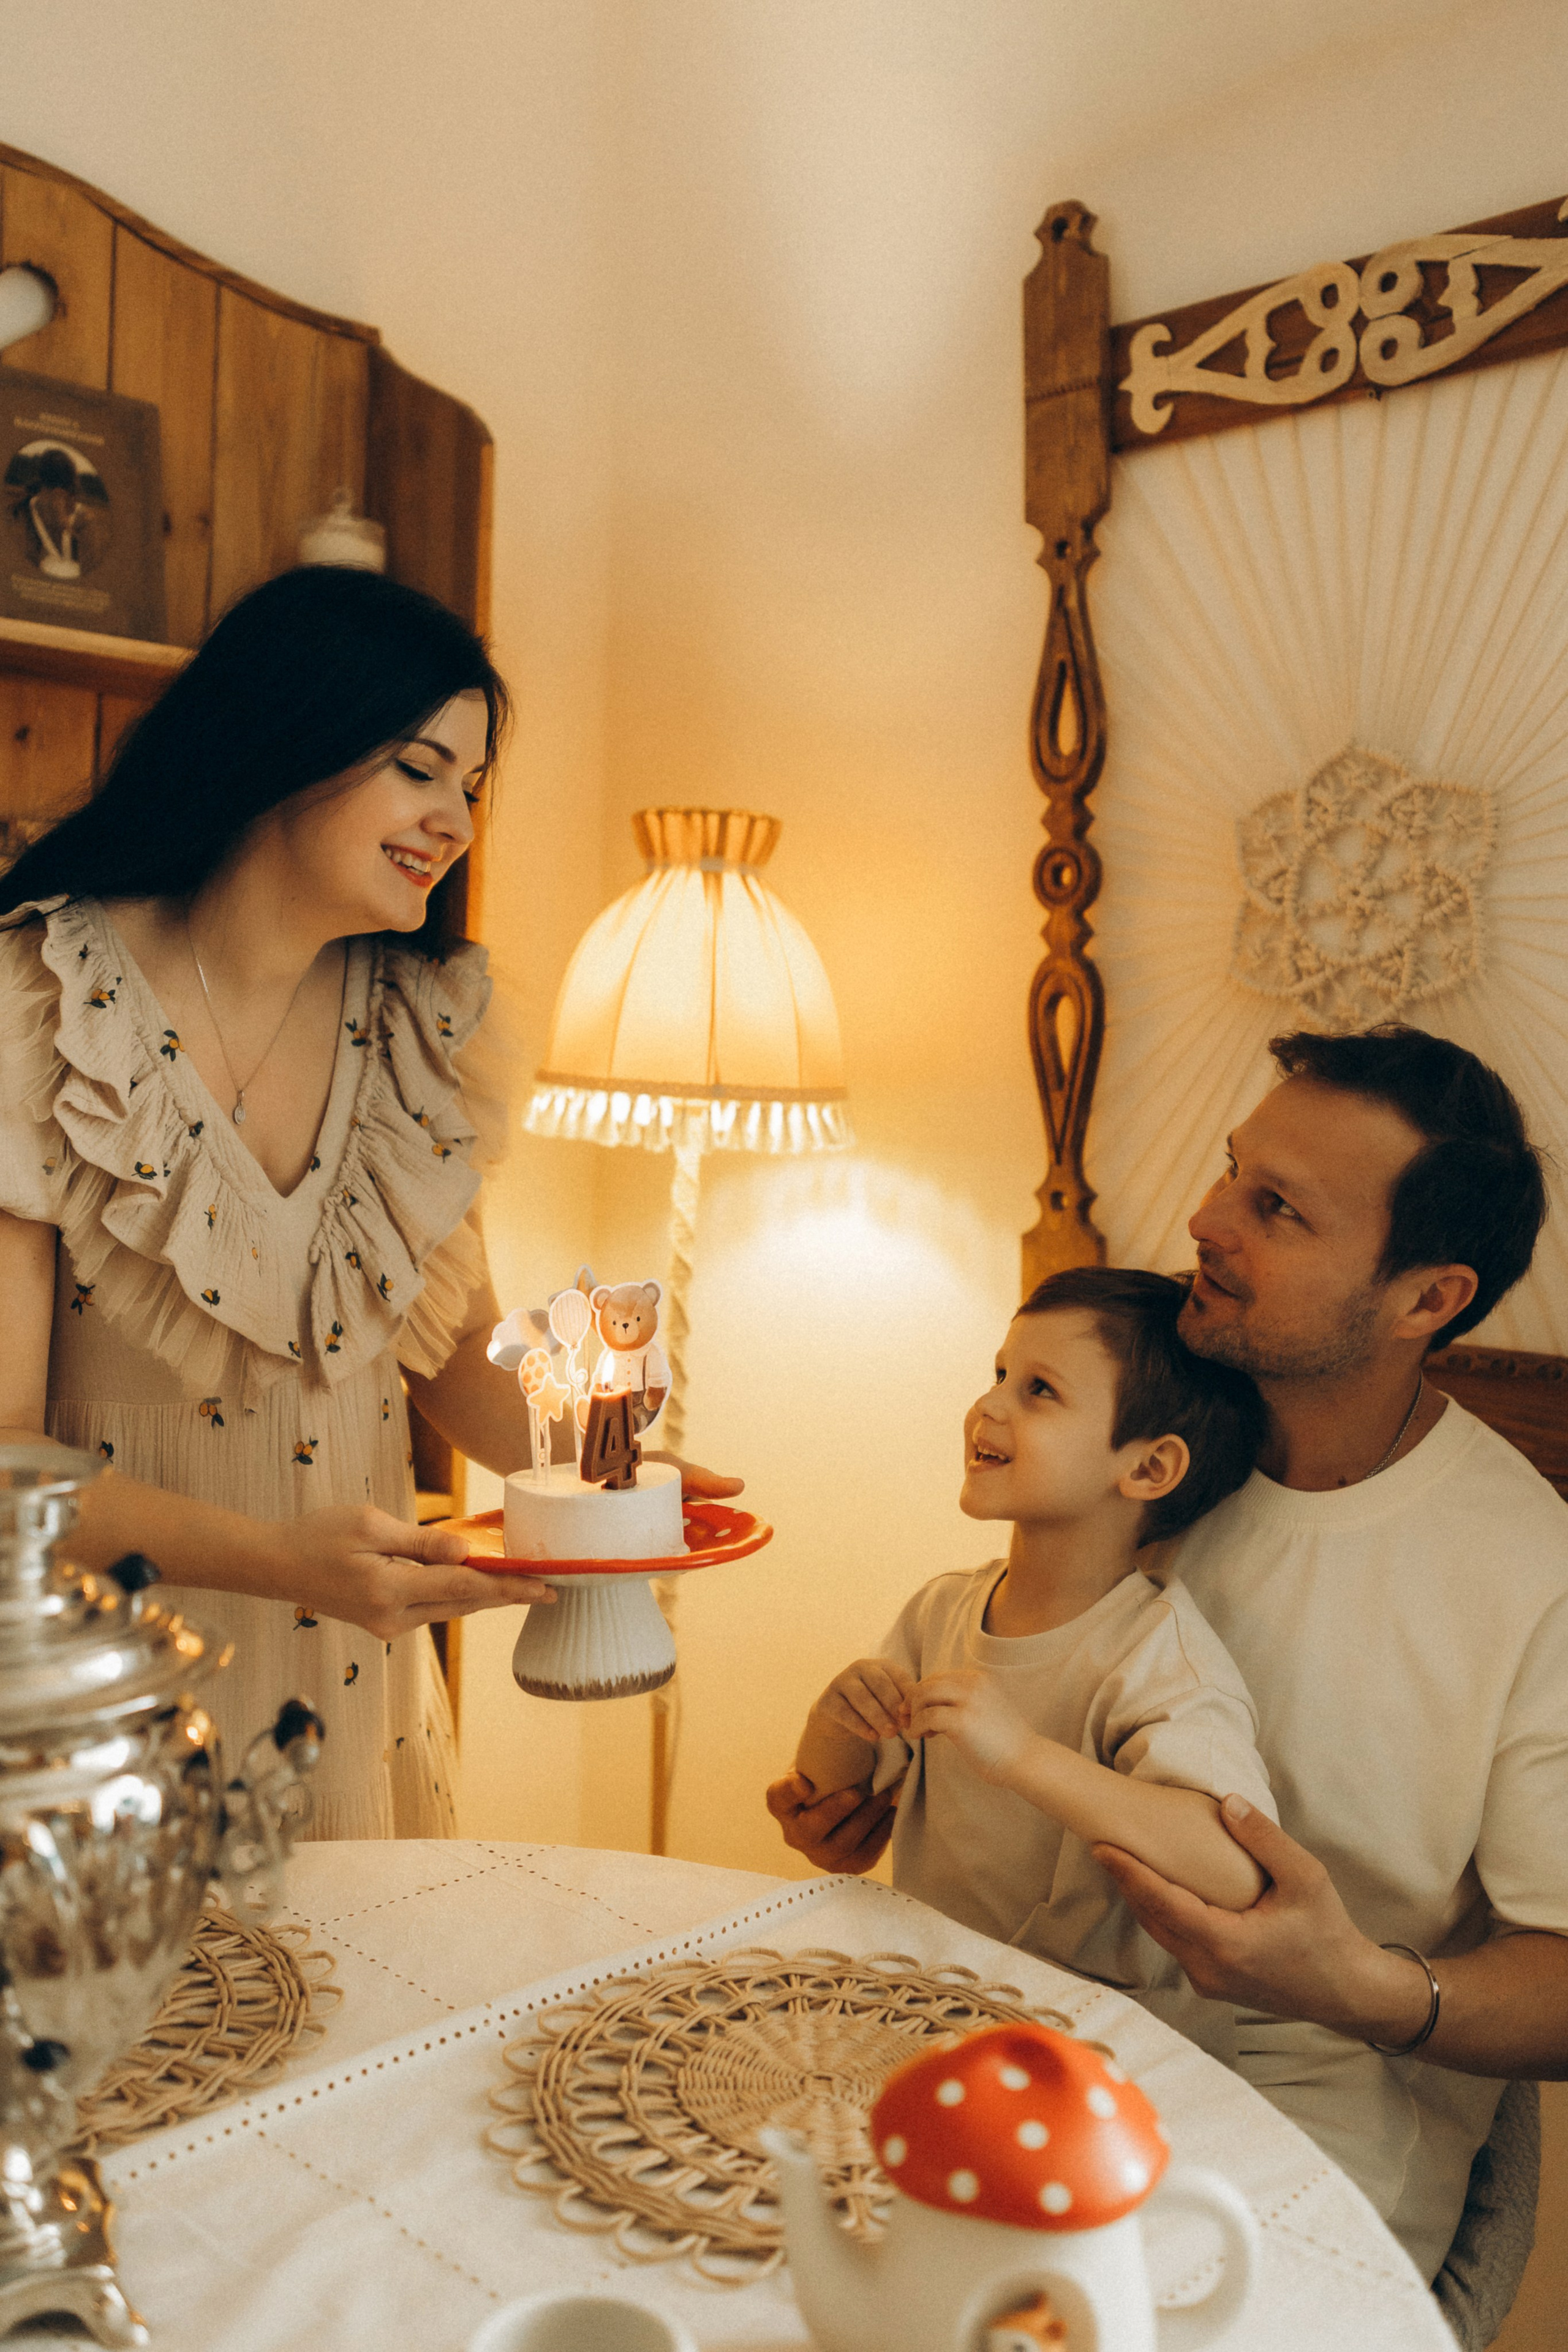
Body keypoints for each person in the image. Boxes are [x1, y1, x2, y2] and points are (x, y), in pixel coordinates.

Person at [770, 1023, 1568, 2286]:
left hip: (1288, 2134)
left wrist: (1356, 1987)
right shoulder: (1133, 1435)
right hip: (999, 2032)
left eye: (1275, 1209)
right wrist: (882, 1791)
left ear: (1427, 1297)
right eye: (1227, 1169)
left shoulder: (1527, 1571)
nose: (1203, 1220)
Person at [0, 566, 736, 1839]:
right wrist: (279, 1564)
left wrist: (608, 1483)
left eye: (471, 786)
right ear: (290, 732)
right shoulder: (39, 1008)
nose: (454, 818)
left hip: (350, 1704)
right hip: (94, 1712)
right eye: (418, 766)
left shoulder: (420, 1034)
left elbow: (453, 1354)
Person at [785, 1267, 1274, 2053]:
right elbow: (829, 1806)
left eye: (1039, 1390)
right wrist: (834, 1717)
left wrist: (1022, 1757)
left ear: (1148, 1468)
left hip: (1086, 2042)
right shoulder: (940, 1610)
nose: (989, 1404)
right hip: (927, 2004)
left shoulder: (1156, 1654)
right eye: (1000, 1374)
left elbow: (1233, 1871)